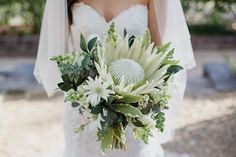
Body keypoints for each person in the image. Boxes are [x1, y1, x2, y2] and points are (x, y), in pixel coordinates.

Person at [34, 0, 196, 157]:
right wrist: (84, 90)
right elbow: (59, 58)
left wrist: (142, 97)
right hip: (84, 111)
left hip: (134, 111)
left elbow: (158, 54)